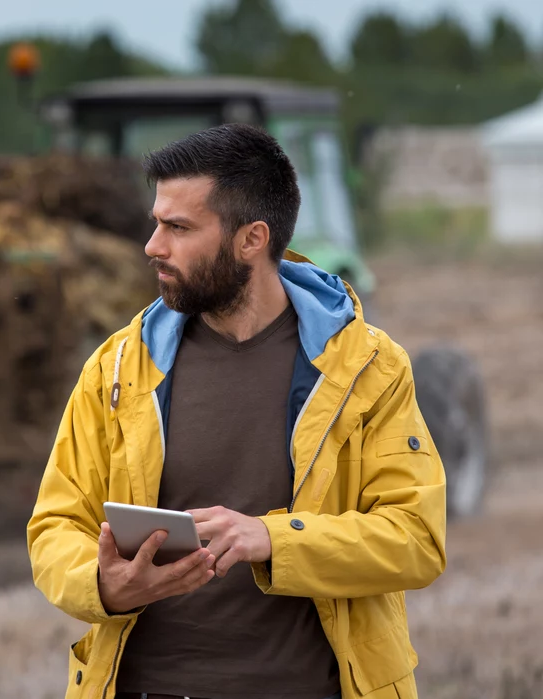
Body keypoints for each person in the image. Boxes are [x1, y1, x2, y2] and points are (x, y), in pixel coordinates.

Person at [26, 123, 446, 699]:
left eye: (177, 228)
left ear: (251, 239)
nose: (153, 245)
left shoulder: (370, 369)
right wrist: (102, 583)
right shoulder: (118, 369)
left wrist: (273, 539)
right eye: (156, 223)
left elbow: (416, 538)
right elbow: (54, 527)